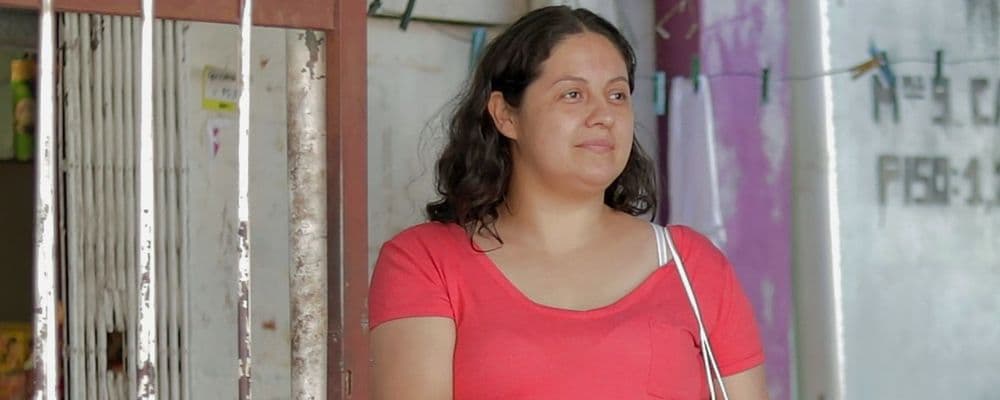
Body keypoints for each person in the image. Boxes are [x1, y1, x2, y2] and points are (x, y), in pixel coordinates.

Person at [369, 5, 768, 399]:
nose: (604, 115)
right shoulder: (424, 263)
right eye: (573, 94)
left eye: (617, 94)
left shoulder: (694, 268)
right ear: (506, 115)